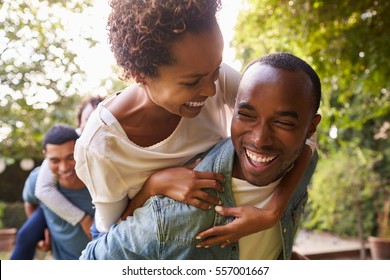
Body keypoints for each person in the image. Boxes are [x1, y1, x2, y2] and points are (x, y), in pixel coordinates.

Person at [74, 0, 316, 244]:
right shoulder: (101, 145)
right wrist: (153, 186)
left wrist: (273, 212)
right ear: (141, 75)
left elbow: (302, 131)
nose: (211, 90)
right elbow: (111, 238)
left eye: (216, 71)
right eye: (191, 83)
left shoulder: (213, 77)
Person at [9, 96, 102, 260]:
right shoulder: (70, 143)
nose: (92, 124)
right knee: (25, 236)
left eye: (99, 118)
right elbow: (42, 189)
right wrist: (48, 227)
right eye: (88, 119)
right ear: (79, 123)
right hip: (55, 208)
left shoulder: (107, 149)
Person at [18, 124, 95, 260]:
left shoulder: (100, 179)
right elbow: (30, 203)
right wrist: (42, 234)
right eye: (55, 160)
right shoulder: (36, 180)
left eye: (70, 157)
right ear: (45, 156)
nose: (64, 168)